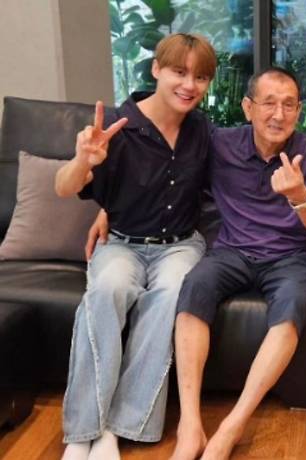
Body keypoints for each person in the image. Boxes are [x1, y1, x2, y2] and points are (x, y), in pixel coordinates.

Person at [55, 33, 217, 460]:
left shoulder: (202, 130)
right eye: (179, 72)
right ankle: (82, 432)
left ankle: (115, 428)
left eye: (201, 77)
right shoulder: (116, 126)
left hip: (179, 245)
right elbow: (64, 187)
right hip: (122, 243)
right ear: (156, 70)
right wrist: (83, 161)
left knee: (171, 296)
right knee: (106, 291)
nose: (190, 85)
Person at [170, 67, 306, 460]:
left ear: (299, 111)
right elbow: (169, 178)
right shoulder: (221, 145)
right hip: (233, 251)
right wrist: (108, 211)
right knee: (194, 286)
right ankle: (189, 423)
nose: (279, 114)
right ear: (248, 107)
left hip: (293, 257)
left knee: (293, 306)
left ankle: (233, 424)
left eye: (289, 105)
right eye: (269, 103)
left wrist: (299, 196)